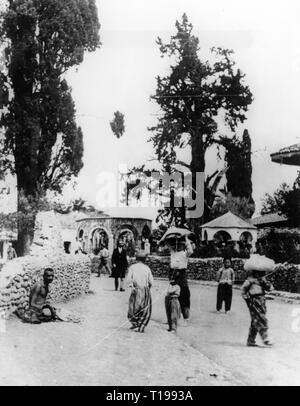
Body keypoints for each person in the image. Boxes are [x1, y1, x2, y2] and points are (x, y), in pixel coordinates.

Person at [241, 269, 274, 347]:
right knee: (261, 319)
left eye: (260, 272)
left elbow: (270, 289)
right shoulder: (250, 280)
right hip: (253, 301)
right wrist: (247, 300)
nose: (258, 274)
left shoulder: (263, 280)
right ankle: (265, 338)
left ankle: (250, 340)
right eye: (257, 272)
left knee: (255, 321)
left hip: (261, 301)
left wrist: (265, 282)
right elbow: (243, 290)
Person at [168, 235, 193, 322]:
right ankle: (174, 316)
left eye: (180, 245)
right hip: (173, 275)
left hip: (182, 275)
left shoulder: (185, 253)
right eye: (177, 244)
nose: (178, 246)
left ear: (183, 246)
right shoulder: (173, 253)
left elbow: (190, 250)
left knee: (185, 295)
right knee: (173, 296)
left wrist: (186, 239)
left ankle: (186, 316)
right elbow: (169, 245)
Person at [127, 251, 153, 333]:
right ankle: (142, 325)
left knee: (133, 307)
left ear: (136, 259)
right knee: (145, 308)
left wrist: (131, 286)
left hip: (135, 289)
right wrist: (149, 287)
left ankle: (135, 323)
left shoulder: (132, 267)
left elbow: (129, 279)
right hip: (145, 289)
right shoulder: (147, 268)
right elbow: (151, 281)